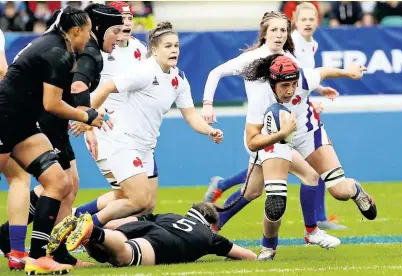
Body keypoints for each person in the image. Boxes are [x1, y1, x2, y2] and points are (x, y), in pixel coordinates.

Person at [47, 21, 224, 251]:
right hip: (124, 142)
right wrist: (86, 117)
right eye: (168, 46)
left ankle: (82, 222)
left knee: (146, 205)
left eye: (177, 46)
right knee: (137, 199)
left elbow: (191, 115)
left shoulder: (178, 78)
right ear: (155, 49)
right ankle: (85, 227)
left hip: (146, 148)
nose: (174, 50)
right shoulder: (144, 71)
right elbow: (106, 87)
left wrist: (209, 130)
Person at [200, 11, 339, 260]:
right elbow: (215, 73)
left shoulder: (288, 57)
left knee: (253, 191)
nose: (279, 34)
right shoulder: (252, 58)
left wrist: (313, 97)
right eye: (274, 30)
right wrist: (208, 104)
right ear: (264, 32)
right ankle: (298, 236)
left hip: (280, 133)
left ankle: (213, 224)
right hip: (260, 133)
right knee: (305, 176)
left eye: (283, 30)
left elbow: (299, 84)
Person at [0, 3, 124, 270]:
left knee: (58, 181)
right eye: (88, 32)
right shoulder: (58, 53)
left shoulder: (57, 46)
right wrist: (87, 116)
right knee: (57, 182)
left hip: (22, 123)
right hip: (4, 119)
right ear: (76, 31)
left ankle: (38, 257)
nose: (90, 39)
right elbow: (52, 104)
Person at [241, 53, 377, 260]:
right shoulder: (260, 96)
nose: (290, 91)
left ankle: (355, 189)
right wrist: (281, 134)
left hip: (307, 131)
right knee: (276, 202)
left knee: (339, 191)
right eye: (284, 86)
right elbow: (252, 141)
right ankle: (268, 247)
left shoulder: (305, 79)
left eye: (293, 84)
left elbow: (323, 72)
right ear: (272, 82)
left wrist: (348, 73)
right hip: (275, 138)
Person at [71, 1, 149, 220]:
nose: (126, 24)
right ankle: (88, 228)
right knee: (132, 196)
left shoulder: (139, 50)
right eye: (121, 19)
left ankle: (77, 217)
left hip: (130, 129)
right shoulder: (96, 50)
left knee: (128, 195)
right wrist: (88, 128)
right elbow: (81, 89)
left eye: (130, 18)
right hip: (102, 127)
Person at [48, 202, 257, 267]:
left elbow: (124, 223)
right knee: (123, 258)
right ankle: (93, 231)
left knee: (104, 255)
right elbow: (246, 255)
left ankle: (93, 232)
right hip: (164, 241)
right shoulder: (210, 236)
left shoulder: (169, 215)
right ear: (209, 223)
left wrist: (108, 229)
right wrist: (258, 256)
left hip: (149, 228)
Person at [291, 2, 346, 230]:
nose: (307, 23)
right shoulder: (291, 43)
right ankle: (222, 186)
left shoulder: (311, 44)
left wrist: (320, 89)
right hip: (289, 112)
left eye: (311, 20)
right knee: (262, 172)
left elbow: (307, 77)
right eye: (303, 19)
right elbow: (292, 81)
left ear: (317, 22)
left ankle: (318, 219)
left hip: (301, 108)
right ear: (294, 20)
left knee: (317, 162)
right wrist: (310, 102)